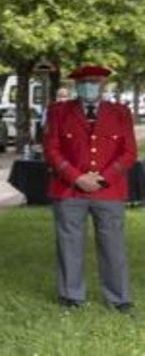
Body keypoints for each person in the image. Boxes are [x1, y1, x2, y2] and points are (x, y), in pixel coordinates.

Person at [43, 65, 136, 311]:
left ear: (103, 84)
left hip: (109, 190)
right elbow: (51, 149)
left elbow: (129, 152)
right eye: (83, 82)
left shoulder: (120, 112)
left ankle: (119, 298)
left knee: (113, 245)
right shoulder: (58, 112)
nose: (88, 86)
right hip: (69, 189)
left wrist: (103, 178)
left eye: (94, 81)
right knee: (69, 244)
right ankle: (72, 296)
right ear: (75, 85)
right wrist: (76, 177)